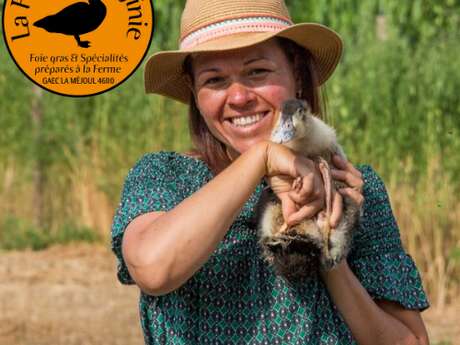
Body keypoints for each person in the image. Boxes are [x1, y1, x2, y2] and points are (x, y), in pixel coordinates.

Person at [111, 0, 430, 344]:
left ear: (296, 74)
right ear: (194, 93)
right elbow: (154, 269)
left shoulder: (351, 188)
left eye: (257, 72)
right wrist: (262, 157)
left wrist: (327, 245)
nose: (238, 96)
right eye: (215, 79)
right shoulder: (166, 177)